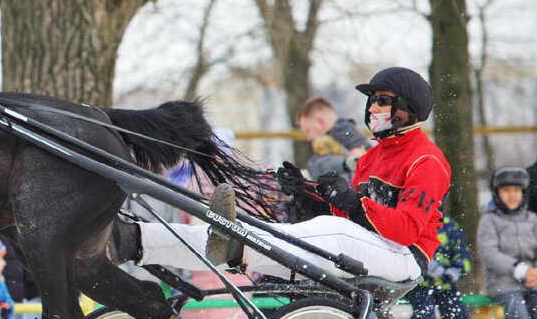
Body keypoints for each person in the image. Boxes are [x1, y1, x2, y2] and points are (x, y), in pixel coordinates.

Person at [114, 67, 452, 288]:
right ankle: (141, 240)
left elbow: (407, 229)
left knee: (325, 233)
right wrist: (305, 193)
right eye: (372, 101)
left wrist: (353, 202)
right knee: (279, 234)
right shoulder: (373, 156)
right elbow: (346, 215)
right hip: (365, 244)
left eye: (381, 101)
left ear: (406, 109)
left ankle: (237, 244)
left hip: (404, 257)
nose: (373, 109)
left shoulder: (427, 160)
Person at [477, 167, 537, 319]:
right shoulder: (490, 220)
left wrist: (533, 271)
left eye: (516, 190)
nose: (512, 196)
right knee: (518, 315)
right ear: (497, 193)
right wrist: (517, 269)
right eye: (506, 190)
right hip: (503, 282)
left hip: (532, 281)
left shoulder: (531, 220)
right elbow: (489, 252)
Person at [396, 214, 472, 319]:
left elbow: (462, 254)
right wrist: (426, 264)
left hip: (445, 285)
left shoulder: (449, 225)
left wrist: (456, 270)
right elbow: (406, 249)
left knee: (459, 317)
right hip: (417, 283)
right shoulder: (414, 221)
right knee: (425, 314)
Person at [296, 96, 370, 183]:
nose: (308, 138)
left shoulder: (343, 130)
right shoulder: (332, 139)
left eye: (308, 130)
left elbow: (362, 168)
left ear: (320, 122)